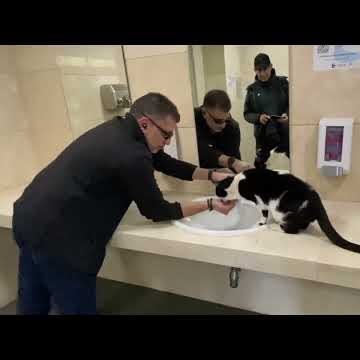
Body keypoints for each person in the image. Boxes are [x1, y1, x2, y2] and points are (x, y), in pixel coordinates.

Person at [12, 92, 237, 315]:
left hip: (28, 218)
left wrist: (213, 175)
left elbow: (165, 163)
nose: (168, 142)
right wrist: (210, 203)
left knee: (33, 305)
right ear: (145, 123)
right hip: (62, 241)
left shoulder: (119, 129)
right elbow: (157, 210)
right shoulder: (132, 154)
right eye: (166, 135)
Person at [244, 53, 289, 169]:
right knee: (260, 170)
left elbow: (293, 105)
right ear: (255, 70)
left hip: (284, 134)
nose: (262, 73)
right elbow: (247, 113)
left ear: (271, 66)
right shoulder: (252, 90)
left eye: (265, 69)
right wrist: (258, 118)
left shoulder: (283, 84)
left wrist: (286, 114)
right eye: (259, 70)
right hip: (263, 137)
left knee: (289, 168)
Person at [195, 89, 252, 174]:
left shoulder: (232, 126)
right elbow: (201, 151)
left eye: (226, 119)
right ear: (204, 112)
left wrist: (237, 166)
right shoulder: (192, 120)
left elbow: (234, 157)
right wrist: (230, 163)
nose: (223, 125)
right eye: (218, 121)